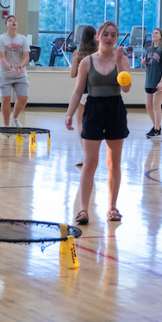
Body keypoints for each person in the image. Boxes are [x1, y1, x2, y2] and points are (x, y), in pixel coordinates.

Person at [65, 21, 132, 225]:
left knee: (113, 163)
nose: (109, 38)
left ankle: (112, 207)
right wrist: (69, 113)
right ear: (98, 37)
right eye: (106, 34)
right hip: (93, 109)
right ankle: (83, 209)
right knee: (89, 162)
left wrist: (120, 62)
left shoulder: (123, 59)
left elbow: (127, 88)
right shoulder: (86, 61)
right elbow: (78, 91)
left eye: (113, 35)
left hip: (115, 109)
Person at [69, 25, 97, 167]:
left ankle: (86, 153)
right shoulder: (99, 52)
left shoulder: (78, 53)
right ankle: (91, 153)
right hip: (98, 93)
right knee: (93, 124)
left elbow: (73, 74)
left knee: (81, 124)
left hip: (84, 92)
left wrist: (75, 59)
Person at [0, 15, 30, 128]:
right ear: (6, 25)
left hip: (20, 74)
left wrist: (21, 65)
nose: (13, 22)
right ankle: (5, 125)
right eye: (10, 20)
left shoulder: (23, 39)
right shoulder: (1, 40)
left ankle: (14, 118)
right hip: (5, 74)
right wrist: (9, 66)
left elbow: (26, 57)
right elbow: (2, 59)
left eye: (15, 20)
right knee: (6, 100)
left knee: (23, 98)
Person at [143, 28, 162, 139]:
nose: (154, 34)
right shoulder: (149, 50)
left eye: (156, 33)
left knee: (156, 106)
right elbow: (149, 65)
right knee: (148, 106)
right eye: (153, 33)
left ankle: (157, 129)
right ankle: (156, 127)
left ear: (161, 36)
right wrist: (144, 63)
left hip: (159, 81)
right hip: (149, 80)